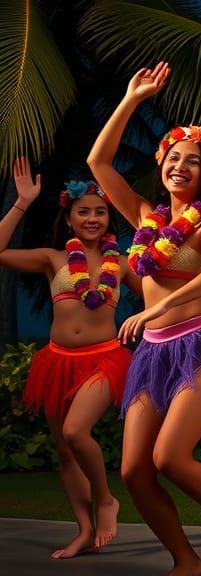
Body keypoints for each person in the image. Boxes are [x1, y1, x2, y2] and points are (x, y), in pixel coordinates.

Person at [87, 61, 201, 576]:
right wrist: (131, 100)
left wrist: (159, 305)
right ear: (161, 164)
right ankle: (186, 559)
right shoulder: (145, 216)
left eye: (193, 161)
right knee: (135, 470)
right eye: (173, 157)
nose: (180, 166)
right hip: (154, 351)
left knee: (170, 458)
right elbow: (99, 163)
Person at [0, 161, 134, 559]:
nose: (92, 218)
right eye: (84, 211)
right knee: (64, 451)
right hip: (58, 361)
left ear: (109, 217)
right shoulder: (52, 259)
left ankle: (107, 500)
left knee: (77, 432)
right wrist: (23, 203)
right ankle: (84, 529)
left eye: (100, 211)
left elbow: (160, 297)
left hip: (105, 359)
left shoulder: (123, 264)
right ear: (70, 218)